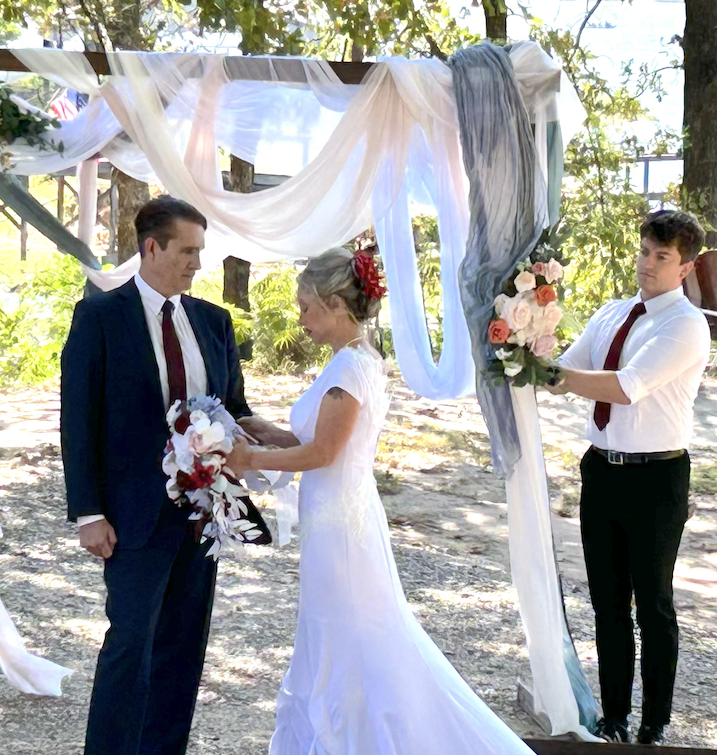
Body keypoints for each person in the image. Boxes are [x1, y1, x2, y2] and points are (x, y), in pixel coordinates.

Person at [225, 247, 538, 755]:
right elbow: (322, 443)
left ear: (334, 304)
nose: (300, 319)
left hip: (341, 527)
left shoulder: (349, 369)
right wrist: (271, 434)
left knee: (355, 633)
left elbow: (325, 453)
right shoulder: (354, 360)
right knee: (338, 631)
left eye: (306, 307)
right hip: (335, 515)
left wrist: (250, 459)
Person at [61, 196, 272, 755]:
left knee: (183, 649)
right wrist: (88, 512)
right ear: (151, 247)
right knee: (129, 644)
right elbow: (78, 418)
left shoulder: (213, 321)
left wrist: (298, 440)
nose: (196, 264)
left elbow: (236, 407)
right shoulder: (100, 317)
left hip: (204, 516)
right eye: (187, 251)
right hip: (133, 516)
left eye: (200, 252)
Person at [545, 209, 710, 746]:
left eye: (661, 257)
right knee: (607, 601)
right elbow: (566, 366)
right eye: (644, 251)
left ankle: (654, 725)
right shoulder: (614, 312)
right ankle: (613, 717)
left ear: (684, 267)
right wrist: (523, 347)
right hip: (603, 469)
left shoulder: (685, 326)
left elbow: (624, 385)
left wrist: (555, 376)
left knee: (653, 604)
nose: (647, 264)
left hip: (656, 479)